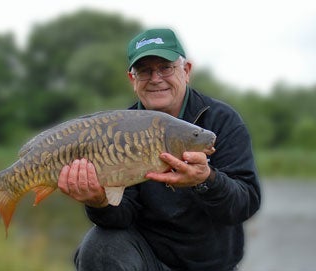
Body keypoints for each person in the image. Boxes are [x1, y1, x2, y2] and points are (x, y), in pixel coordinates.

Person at [57, 28, 261, 271]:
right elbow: (123, 216)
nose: (156, 78)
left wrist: (206, 180)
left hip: (212, 264)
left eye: (166, 67)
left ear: (186, 72)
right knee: (99, 245)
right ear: (133, 80)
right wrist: (98, 202)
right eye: (145, 71)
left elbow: (245, 203)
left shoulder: (221, 122)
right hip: (149, 259)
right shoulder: (120, 129)